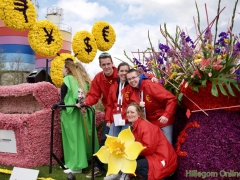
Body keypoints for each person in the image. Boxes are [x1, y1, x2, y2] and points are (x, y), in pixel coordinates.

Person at [55, 59, 99, 174]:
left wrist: (56, 105)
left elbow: (65, 101)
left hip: (70, 115)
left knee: (72, 139)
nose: (62, 71)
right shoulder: (83, 81)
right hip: (81, 114)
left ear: (67, 69)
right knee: (79, 139)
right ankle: (73, 162)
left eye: (62, 68)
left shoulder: (68, 79)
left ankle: (76, 165)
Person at [83, 52, 119, 178]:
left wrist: (150, 77)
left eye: (109, 63)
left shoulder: (121, 73)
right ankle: (98, 167)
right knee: (105, 139)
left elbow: (136, 77)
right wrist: (84, 103)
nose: (107, 66)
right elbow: (93, 95)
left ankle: (127, 169)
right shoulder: (98, 78)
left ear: (112, 63)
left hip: (126, 113)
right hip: (110, 114)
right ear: (100, 65)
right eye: (104, 64)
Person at [122, 69, 177, 144]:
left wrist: (166, 115)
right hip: (149, 123)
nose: (132, 81)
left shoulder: (150, 85)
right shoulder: (132, 90)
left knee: (167, 145)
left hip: (162, 120)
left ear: (139, 77)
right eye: (129, 79)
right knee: (154, 146)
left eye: (133, 78)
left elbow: (171, 99)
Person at [126, 102, 177, 180]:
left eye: (132, 112)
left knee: (135, 165)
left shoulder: (144, 126)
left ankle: (159, 177)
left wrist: (132, 152)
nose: (129, 114)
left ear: (139, 114)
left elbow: (149, 148)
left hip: (163, 159)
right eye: (128, 112)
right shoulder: (137, 126)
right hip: (156, 156)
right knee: (130, 161)